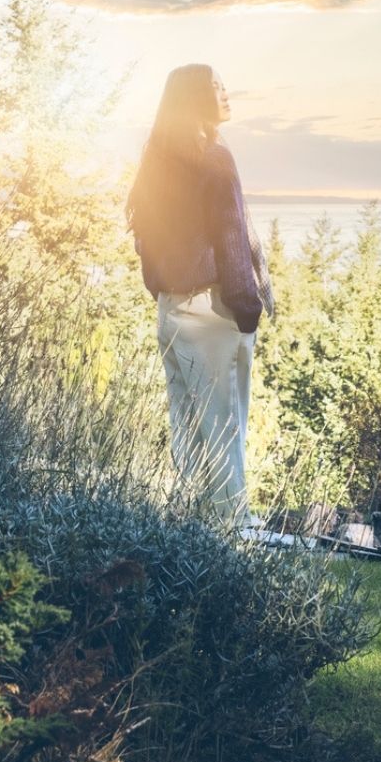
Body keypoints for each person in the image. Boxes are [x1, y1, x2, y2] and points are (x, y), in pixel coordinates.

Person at [126, 63, 269, 522]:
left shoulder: (159, 160)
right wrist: (247, 310)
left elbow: (145, 238)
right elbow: (231, 237)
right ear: (193, 99)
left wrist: (164, 291)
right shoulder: (213, 156)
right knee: (225, 428)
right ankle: (232, 531)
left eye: (224, 83)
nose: (225, 92)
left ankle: (192, 527)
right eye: (214, 87)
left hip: (172, 312)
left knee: (188, 427)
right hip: (212, 313)